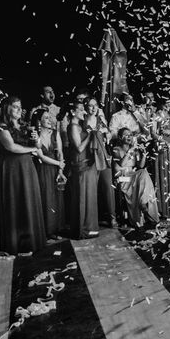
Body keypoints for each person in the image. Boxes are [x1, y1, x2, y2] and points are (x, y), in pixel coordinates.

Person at [0, 96, 46, 255]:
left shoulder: (25, 126)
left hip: (27, 167)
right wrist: (31, 150)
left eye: (20, 106)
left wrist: (36, 139)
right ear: (7, 108)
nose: (19, 109)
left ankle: (31, 242)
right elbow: (11, 147)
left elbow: (38, 146)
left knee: (29, 200)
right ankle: (18, 245)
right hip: (12, 168)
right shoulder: (1, 126)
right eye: (15, 106)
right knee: (16, 202)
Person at [113, 128, 160, 228]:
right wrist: (130, 150)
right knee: (141, 175)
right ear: (120, 138)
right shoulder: (116, 149)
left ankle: (143, 203)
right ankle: (143, 204)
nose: (129, 136)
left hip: (133, 177)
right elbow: (122, 163)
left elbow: (141, 165)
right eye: (126, 135)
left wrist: (143, 154)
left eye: (130, 134)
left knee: (143, 172)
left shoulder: (134, 150)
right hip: (122, 178)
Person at [30, 108, 66, 241]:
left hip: (56, 170)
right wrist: (58, 164)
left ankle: (56, 228)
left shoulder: (55, 133)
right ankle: (45, 231)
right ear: (39, 121)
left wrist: (60, 170)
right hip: (42, 169)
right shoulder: (34, 135)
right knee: (45, 198)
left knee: (56, 198)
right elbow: (41, 157)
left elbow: (60, 152)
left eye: (50, 117)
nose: (49, 120)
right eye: (46, 118)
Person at [67, 101, 99, 239]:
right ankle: (82, 229)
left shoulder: (79, 126)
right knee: (82, 197)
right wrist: (91, 136)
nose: (84, 112)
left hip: (87, 164)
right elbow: (79, 148)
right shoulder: (73, 126)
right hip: (80, 165)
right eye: (81, 110)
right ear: (73, 112)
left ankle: (89, 227)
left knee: (88, 197)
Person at [85, 97, 117, 227]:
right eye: (90, 106)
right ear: (85, 107)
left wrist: (106, 133)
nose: (93, 108)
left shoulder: (101, 120)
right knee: (92, 189)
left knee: (108, 188)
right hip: (89, 157)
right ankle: (92, 220)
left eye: (95, 105)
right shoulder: (83, 121)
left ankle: (112, 217)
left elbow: (109, 135)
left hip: (103, 155)